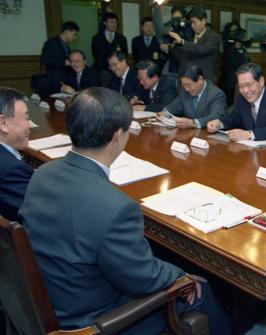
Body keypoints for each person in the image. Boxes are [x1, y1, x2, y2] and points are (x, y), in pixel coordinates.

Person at [19, 87, 232, 335]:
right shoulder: (116, 208)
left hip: (47, 297)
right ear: (118, 136)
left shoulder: (42, 174)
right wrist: (182, 275)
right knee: (199, 289)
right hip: (91, 320)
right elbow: (144, 279)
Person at [207, 63, 266, 141]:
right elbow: (235, 118)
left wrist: (249, 135)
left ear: (261, 81)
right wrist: (219, 123)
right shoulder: (241, 97)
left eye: (249, 85)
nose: (245, 90)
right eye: (241, 86)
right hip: (250, 150)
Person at [0, 87, 33, 221]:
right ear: (4, 123)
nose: (30, 125)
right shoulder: (11, 170)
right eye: (27, 118)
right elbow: (41, 214)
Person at [157, 64, 226, 128]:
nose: (186, 89)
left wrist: (193, 123)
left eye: (188, 85)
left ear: (200, 79)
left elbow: (217, 116)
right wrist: (164, 114)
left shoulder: (216, 94)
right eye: (184, 86)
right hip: (189, 134)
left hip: (207, 135)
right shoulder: (185, 91)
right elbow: (174, 106)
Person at [168, 6, 221, 81]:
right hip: (186, 80)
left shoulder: (214, 37)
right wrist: (173, 46)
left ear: (204, 21)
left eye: (194, 22)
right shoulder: (190, 35)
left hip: (204, 81)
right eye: (191, 22)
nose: (192, 26)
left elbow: (202, 49)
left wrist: (182, 42)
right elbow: (182, 57)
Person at [40, 21, 79, 93]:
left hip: (65, 81)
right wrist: (64, 62)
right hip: (53, 82)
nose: (75, 37)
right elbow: (44, 59)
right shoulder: (51, 43)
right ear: (67, 32)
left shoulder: (67, 46)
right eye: (74, 34)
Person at [92, 12, 128, 84]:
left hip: (118, 71)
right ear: (105, 23)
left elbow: (124, 54)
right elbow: (95, 54)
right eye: (111, 22)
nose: (114, 24)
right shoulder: (97, 38)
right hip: (102, 72)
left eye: (115, 22)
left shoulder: (122, 38)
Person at [221, 20, 250, 102]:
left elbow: (246, 62)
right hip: (231, 81)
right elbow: (234, 61)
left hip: (242, 79)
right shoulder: (229, 46)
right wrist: (238, 49)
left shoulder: (241, 46)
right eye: (233, 31)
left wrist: (240, 49)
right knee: (231, 101)